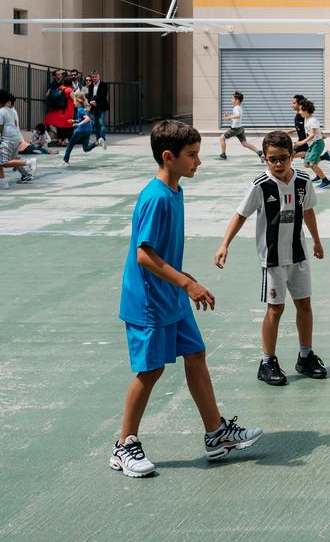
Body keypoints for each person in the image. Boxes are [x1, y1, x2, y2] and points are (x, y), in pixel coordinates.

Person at [111, 120, 263, 478]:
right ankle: (124, 445)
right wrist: (186, 284)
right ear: (169, 157)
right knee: (150, 370)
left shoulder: (175, 190)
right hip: (148, 301)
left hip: (171, 295)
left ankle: (216, 434)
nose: (199, 162)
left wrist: (185, 281)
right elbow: (143, 256)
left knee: (195, 354)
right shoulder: (157, 197)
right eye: (192, 155)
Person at [214, 131, 326, 386]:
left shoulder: (303, 181)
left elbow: (308, 211)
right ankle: (267, 361)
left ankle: (306, 355)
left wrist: (317, 241)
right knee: (275, 309)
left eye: (283, 158)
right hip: (273, 258)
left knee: (305, 305)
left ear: (292, 157)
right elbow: (240, 215)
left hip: (299, 255)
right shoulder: (260, 185)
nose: (278, 164)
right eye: (272, 159)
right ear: (264, 158)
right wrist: (224, 244)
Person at [0, 88, 35, 189]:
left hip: (8, 140)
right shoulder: (10, 110)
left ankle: (29, 162)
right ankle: (2, 181)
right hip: (13, 139)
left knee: (3, 162)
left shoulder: (0, 112)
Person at [290, 94, 330, 167]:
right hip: (303, 140)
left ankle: (320, 157)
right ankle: (324, 158)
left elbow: (312, 127)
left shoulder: (303, 115)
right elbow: (302, 127)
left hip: (305, 140)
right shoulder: (300, 115)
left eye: (294, 103)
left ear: (300, 104)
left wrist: (321, 134)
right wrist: (290, 131)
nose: (292, 105)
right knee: (308, 162)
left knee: (292, 155)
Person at [218, 91, 261, 160]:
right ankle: (258, 152)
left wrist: (228, 117)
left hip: (235, 129)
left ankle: (223, 155)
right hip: (240, 128)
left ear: (237, 100)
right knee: (244, 143)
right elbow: (236, 118)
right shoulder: (240, 108)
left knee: (221, 138)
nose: (231, 100)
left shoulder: (236, 108)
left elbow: (238, 115)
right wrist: (229, 116)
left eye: (232, 99)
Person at [63, 94, 100, 165]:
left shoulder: (80, 109)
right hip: (88, 130)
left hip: (81, 130)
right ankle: (97, 143)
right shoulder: (84, 108)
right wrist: (74, 121)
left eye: (74, 101)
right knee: (85, 148)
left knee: (70, 145)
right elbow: (82, 119)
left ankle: (65, 161)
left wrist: (78, 124)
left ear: (78, 102)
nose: (73, 103)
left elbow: (87, 119)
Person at [87, 70, 110, 148]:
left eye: (95, 77)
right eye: (92, 77)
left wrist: (96, 101)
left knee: (101, 122)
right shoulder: (90, 86)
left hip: (101, 105)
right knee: (96, 123)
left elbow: (103, 95)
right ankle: (98, 138)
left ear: (99, 76)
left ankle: (102, 138)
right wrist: (91, 101)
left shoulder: (103, 84)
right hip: (93, 106)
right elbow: (89, 95)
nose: (94, 78)